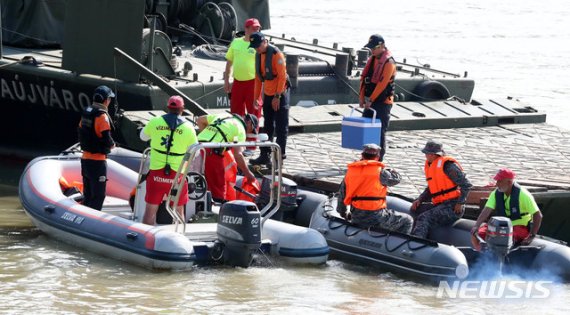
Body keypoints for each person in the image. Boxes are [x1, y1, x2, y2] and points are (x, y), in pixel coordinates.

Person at [139, 95, 197, 225]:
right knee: (179, 210)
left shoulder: (155, 121)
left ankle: (145, 240)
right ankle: (179, 237)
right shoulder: (189, 127)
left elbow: (142, 137)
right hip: (177, 175)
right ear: (183, 109)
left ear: (168, 108)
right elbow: (196, 151)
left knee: (150, 211)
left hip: (156, 175)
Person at [337, 143, 413, 234]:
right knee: (408, 220)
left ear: (362, 155)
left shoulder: (350, 172)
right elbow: (397, 179)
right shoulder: (381, 173)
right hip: (377, 218)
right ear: (377, 157)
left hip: (356, 216)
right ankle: (400, 244)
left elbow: (341, 195)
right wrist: (391, 171)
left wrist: (343, 213)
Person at [410, 140, 472, 238]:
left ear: (435, 154)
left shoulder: (449, 167)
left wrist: (460, 203)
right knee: (415, 210)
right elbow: (431, 188)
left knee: (424, 218)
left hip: (452, 206)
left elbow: (466, 185)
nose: (426, 156)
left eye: (428, 154)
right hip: (440, 204)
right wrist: (420, 199)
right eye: (426, 154)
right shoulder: (431, 165)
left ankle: (416, 242)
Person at [471, 168, 543, 251]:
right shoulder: (496, 193)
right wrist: (477, 225)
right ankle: (483, 257)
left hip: (519, 226)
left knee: (503, 238)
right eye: (497, 181)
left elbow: (538, 215)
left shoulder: (523, 195)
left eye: (499, 181)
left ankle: (502, 258)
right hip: (501, 225)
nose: (497, 184)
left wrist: (531, 236)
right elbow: (487, 210)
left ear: (509, 182)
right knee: (476, 235)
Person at [248, 32, 290, 165]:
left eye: (258, 46)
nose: (257, 49)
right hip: (268, 93)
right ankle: (265, 155)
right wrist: (256, 97)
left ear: (265, 41)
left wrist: (277, 96)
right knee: (267, 126)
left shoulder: (277, 55)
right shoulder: (258, 56)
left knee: (281, 126)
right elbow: (258, 78)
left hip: (281, 93)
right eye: (255, 47)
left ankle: (280, 156)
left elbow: (282, 77)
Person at [197, 112, 257, 202]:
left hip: (195, 146)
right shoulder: (240, 129)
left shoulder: (222, 115)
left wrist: (206, 138)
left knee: (194, 181)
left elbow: (200, 120)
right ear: (249, 123)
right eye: (251, 130)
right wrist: (248, 174)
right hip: (212, 153)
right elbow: (238, 155)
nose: (248, 133)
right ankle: (217, 212)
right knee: (218, 189)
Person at [77, 85, 116, 210]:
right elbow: (106, 138)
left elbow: (81, 131)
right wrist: (112, 145)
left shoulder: (86, 113)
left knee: (88, 195)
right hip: (97, 162)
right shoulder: (102, 116)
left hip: (85, 159)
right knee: (99, 195)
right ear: (106, 100)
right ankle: (92, 219)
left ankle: (84, 216)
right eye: (109, 99)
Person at [359, 34, 396, 161]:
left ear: (381, 46)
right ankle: (366, 156)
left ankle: (379, 160)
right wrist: (362, 97)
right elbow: (364, 79)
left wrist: (371, 100)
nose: (372, 51)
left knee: (379, 133)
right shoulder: (373, 59)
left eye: (374, 48)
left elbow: (382, 84)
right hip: (370, 101)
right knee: (366, 130)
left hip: (382, 103)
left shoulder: (389, 62)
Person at [224, 18, 262, 118]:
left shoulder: (258, 45)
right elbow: (229, 62)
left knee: (254, 113)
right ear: (246, 28)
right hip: (237, 82)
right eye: (254, 28)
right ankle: (239, 133)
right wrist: (226, 81)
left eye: (258, 28)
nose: (257, 31)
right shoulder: (236, 42)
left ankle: (253, 133)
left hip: (253, 83)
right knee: (236, 113)